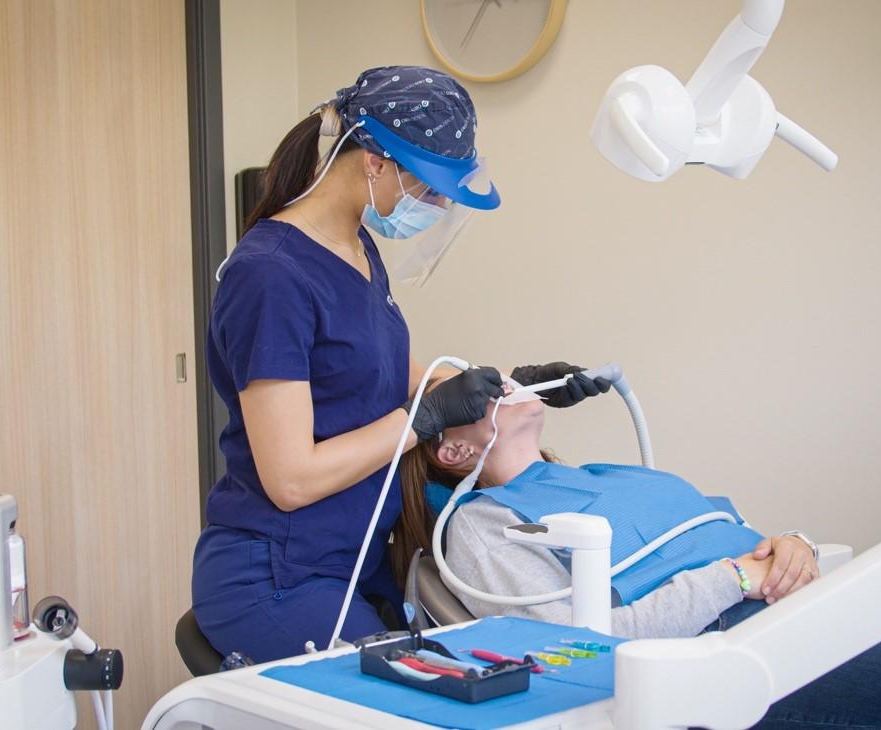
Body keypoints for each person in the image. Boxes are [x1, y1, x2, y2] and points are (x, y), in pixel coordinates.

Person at [394, 390, 881, 729]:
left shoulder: (597, 474)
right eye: (473, 388)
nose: (497, 380)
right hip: (735, 650)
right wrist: (739, 577)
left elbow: (722, 534)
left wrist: (790, 546)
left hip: (800, 599)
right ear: (454, 445)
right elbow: (582, 643)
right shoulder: (478, 530)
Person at [191, 65, 612, 664]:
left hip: (356, 558)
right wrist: (424, 418)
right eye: (432, 187)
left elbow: (398, 372)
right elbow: (290, 480)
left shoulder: (356, 246)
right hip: (277, 575)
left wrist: (515, 386)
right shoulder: (270, 276)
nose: (438, 204)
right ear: (375, 162)